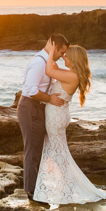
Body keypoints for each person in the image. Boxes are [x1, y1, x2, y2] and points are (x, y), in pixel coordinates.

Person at [32, 44, 106, 205]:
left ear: (73, 59)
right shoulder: (70, 74)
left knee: (59, 155)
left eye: (66, 55)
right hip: (58, 116)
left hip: (56, 117)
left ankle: (67, 189)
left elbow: (49, 71)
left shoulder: (71, 76)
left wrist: (52, 51)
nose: (63, 57)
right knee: (59, 153)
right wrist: (52, 53)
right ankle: (65, 187)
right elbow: (52, 67)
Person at [19, 34, 68, 200]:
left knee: (38, 148)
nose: (62, 57)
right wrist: (50, 99)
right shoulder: (39, 63)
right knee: (32, 149)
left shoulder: (47, 63)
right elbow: (31, 90)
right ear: (54, 46)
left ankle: (36, 187)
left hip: (38, 107)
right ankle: (31, 191)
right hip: (30, 107)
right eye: (61, 52)